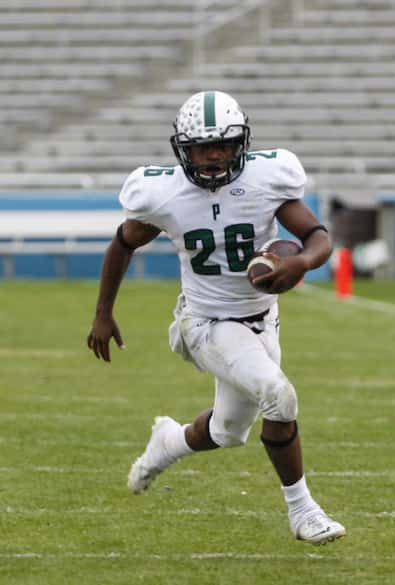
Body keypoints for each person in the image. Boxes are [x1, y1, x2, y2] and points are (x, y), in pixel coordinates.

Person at [86, 90, 345, 545]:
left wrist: (300, 263)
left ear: (240, 144)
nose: (213, 156)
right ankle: (304, 511)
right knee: (279, 397)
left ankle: (167, 443)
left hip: (262, 318)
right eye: (203, 147)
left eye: (223, 145)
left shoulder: (266, 178)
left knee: (228, 432)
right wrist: (103, 313)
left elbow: (317, 235)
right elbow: (123, 242)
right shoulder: (163, 193)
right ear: (183, 150)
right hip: (205, 323)